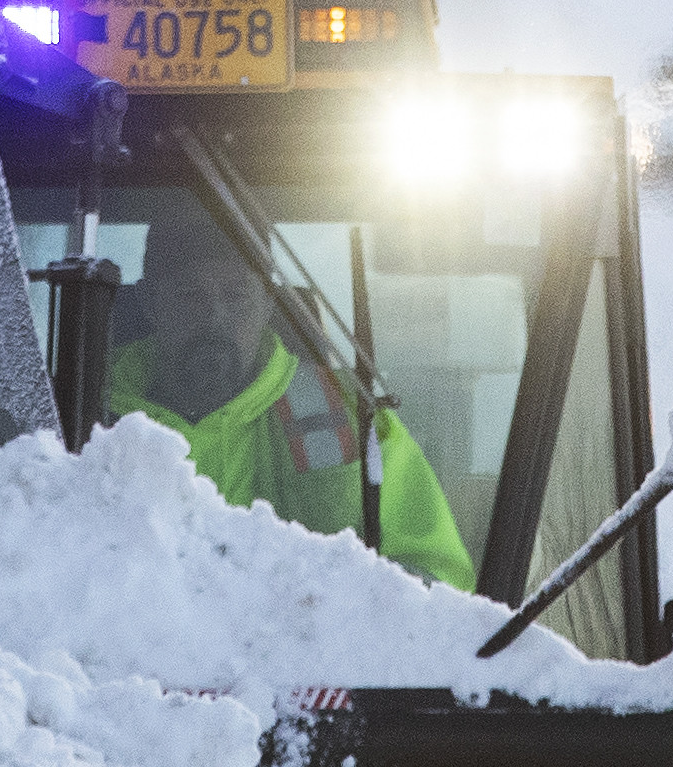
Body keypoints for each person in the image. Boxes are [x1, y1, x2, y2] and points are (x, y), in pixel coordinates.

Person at [109, 229, 474, 590]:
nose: (214, 317)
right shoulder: (78, 417)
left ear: (269, 302)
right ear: (149, 304)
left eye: (236, 296)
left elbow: (440, 591)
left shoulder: (356, 419)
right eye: (190, 296)